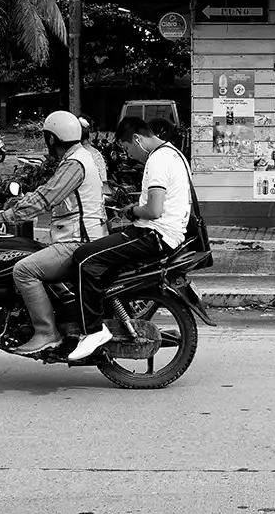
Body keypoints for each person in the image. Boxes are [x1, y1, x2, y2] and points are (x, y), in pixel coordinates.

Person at [65, 117, 196, 362]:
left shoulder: (157, 160)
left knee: (84, 257)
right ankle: (109, 316)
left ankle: (92, 330)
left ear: (137, 139)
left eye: (127, 148)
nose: (129, 155)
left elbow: (154, 210)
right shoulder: (174, 154)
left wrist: (132, 211)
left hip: (154, 235)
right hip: (168, 233)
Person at [0, 110, 107, 357]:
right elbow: (47, 191)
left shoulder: (75, 163)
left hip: (77, 241)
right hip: (78, 237)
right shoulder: (78, 157)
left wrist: (4, 216)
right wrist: (23, 201)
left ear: (51, 138)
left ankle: (46, 333)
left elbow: (46, 198)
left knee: (23, 270)